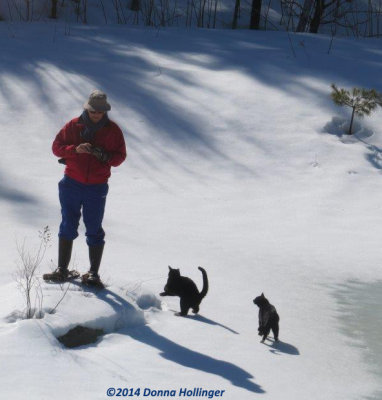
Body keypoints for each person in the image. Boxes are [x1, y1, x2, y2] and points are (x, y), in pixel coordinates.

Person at [43, 90, 126, 287]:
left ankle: (93, 274)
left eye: (100, 112)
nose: (96, 114)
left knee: (94, 227)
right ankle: (62, 270)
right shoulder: (73, 126)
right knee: (68, 224)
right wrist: (75, 150)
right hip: (71, 183)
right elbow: (56, 148)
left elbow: (120, 157)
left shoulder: (113, 130)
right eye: (93, 111)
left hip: (96, 187)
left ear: (105, 111)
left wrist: (104, 155)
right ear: (86, 108)